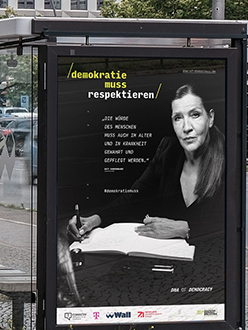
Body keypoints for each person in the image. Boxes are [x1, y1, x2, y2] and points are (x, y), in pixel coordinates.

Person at [64, 83, 226, 304]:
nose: (186, 127)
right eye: (178, 118)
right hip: (164, 269)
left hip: (208, 274)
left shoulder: (228, 157)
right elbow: (134, 196)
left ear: (211, 118)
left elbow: (231, 221)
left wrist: (184, 227)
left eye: (195, 114)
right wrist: (94, 219)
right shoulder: (168, 150)